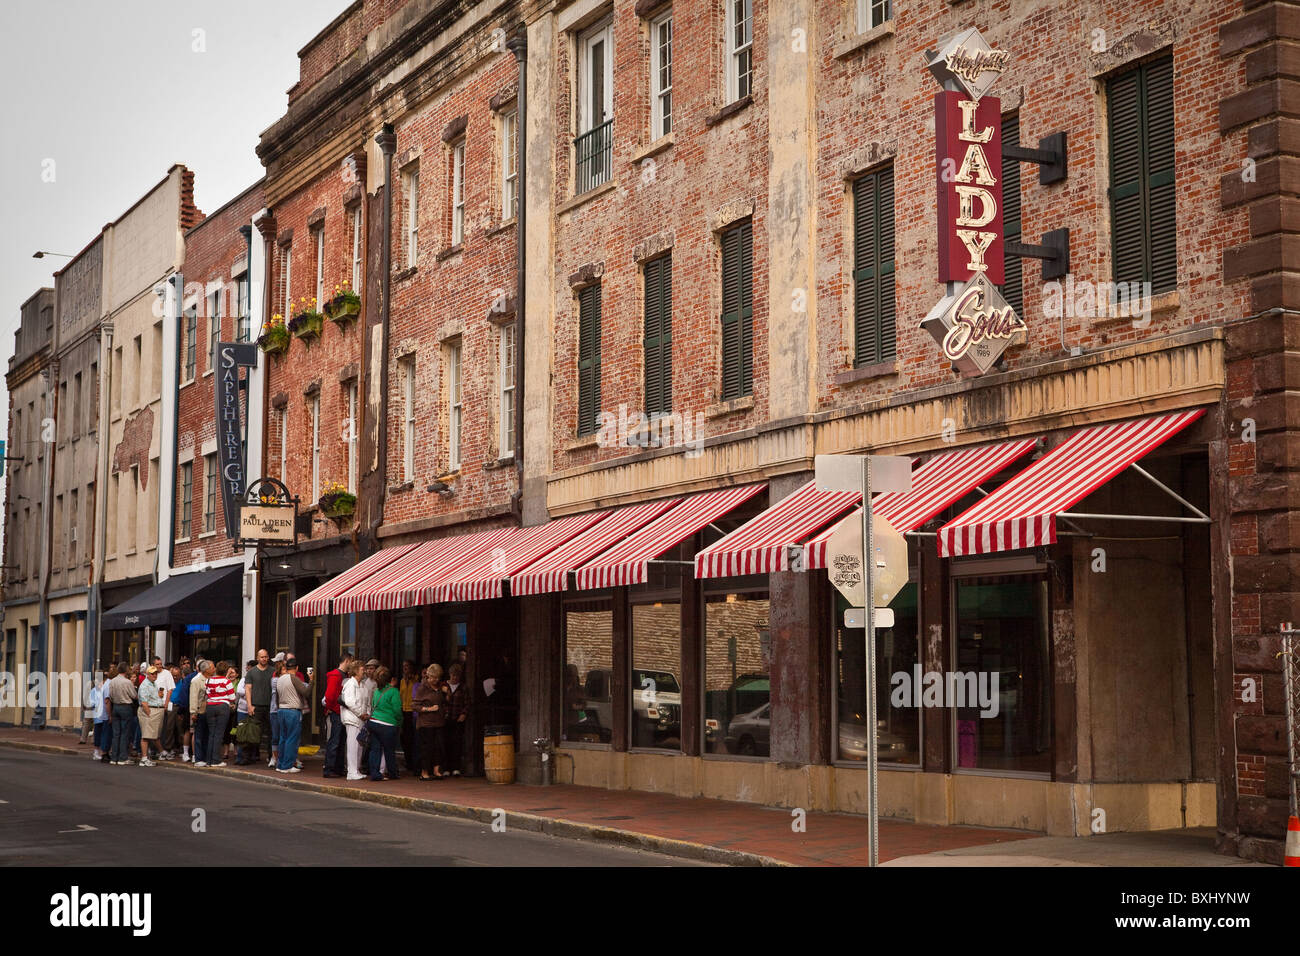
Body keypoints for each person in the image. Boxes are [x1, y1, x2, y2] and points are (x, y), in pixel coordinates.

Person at [275, 655, 311, 773]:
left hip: (281, 710)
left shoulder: (279, 679)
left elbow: (277, 697)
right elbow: (306, 692)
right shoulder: (294, 678)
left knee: (283, 738)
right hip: (292, 711)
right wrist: (312, 680)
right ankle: (287, 765)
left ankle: (280, 764)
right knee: (292, 738)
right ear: (296, 668)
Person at [366, 666, 402, 782]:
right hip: (388, 724)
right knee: (389, 750)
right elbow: (397, 710)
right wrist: (399, 722)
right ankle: (392, 773)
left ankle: (374, 773)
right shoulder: (394, 691)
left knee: (375, 749)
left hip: (374, 722)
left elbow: (372, 705)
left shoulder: (376, 691)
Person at [413, 664, 447, 780]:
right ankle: (424, 772)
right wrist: (429, 709)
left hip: (439, 722)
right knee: (426, 748)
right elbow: (415, 705)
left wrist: (447, 693)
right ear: (428, 676)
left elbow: (446, 702)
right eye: (432, 678)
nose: (434, 680)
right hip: (426, 723)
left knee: (439, 747)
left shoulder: (441, 688)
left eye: (437, 678)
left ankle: (436, 770)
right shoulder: (423, 688)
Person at [321, 652, 353, 778]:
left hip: (341, 712)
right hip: (336, 712)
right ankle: (329, 768)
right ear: (347, 661)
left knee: (340, 741)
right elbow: (329, 695)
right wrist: (329, 708)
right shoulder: (336, 675)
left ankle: (338, 768)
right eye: (351, 661)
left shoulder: (344, 675)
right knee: (334, 741)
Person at [241, 648, 273, 766]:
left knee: (271, 733)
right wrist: (249, 705)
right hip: (256, 706)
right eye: (262, 657)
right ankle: (248, 757)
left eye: (266, 656)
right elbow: (248, 689)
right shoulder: (251, 672)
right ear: (257, 658)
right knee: (252, 733)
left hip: (270, 707)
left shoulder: (273, 671)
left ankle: (271, 757)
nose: (264, 659)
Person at [339, 660, 369, 781]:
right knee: (353, 745)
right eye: (362, 669)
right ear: (356, 671)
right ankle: (351, 771)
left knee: (359, 745)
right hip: (352, 719)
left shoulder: (363, 685)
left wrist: (366, 713)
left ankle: (356, 769)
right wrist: (360, 713)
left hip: (361, 719)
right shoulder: (350, 684)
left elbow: (367, 702)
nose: (364, 671)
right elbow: (350, 702)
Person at [200, 660, 232, 767]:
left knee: (212, 734)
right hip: (222, 707)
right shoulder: (227, 682)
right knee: (219, 734)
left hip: (210, 707)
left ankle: (209, 759)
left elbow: (207, 693)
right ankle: (216, 760)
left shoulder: (209, 680)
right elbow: (232, 697)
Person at [107, 663, 137, 766]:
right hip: (125, 706)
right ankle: (122, 757)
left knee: (116, 733)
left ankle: (114, 757)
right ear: (126, 670)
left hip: (116, 706)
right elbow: (133, 695)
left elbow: (110, 695)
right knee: (125, 733)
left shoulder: (112, 682)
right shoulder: (127, 682)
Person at [444, 662, 470, 776]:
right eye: (453, 675)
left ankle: (456, 767)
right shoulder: (443, 686)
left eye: (457, 676)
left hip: (457, 718)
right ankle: (445, 768)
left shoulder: (463, 687)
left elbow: (467, 703)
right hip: (445, 718)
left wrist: (464, 714)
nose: (455, 678)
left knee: (457, 743)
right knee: (445, 743)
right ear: (449, 675)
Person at [137, 666, 165, 767]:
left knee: (151, 735)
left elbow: (152, 697)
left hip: (154, 710)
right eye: (152, 673)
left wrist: (159, 696)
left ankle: (147, 757)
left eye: (156, 673)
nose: (154, 675)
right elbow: (144, 703)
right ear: (147, 674)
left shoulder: (153, 684)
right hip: (149, 711)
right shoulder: (145, 685)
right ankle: (144, 758)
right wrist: (149, 713)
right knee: (146, 735)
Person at [359, 659, 379, 775]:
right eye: (368, 668)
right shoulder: (365, 682)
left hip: (375, 714)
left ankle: (369, 765)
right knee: (366, 741)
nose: (369, 671)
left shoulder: (378, 683)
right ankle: (365, 764)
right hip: (367, 714)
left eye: (372, 668)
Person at [399, 659, 418, 773]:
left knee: (413, 737)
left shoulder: (416, 680)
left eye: (407, 666)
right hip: (404, 711)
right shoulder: (401, 681)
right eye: (403, 666)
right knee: (404, 737)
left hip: (412, 711)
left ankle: (414, 763)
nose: (405, 668)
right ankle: (407, 761)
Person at [155, 660, 177, 759]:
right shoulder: (151, 674)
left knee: (165, 728)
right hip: (153, 705)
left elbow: (170, 689)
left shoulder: (167, 674)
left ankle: (165, 749)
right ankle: (156, 750)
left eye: (160, 664)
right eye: (157, 664)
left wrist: (166, 703)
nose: (160, 666)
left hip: (164, 705)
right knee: (156, 729)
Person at [90, 669, 110, 761]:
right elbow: (91, 703)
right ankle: (96, 751)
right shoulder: (94, 690)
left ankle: (103, 751)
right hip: (98, 715)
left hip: (104, 714)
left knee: (105, 733)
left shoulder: (105, 688)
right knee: (98, 733)